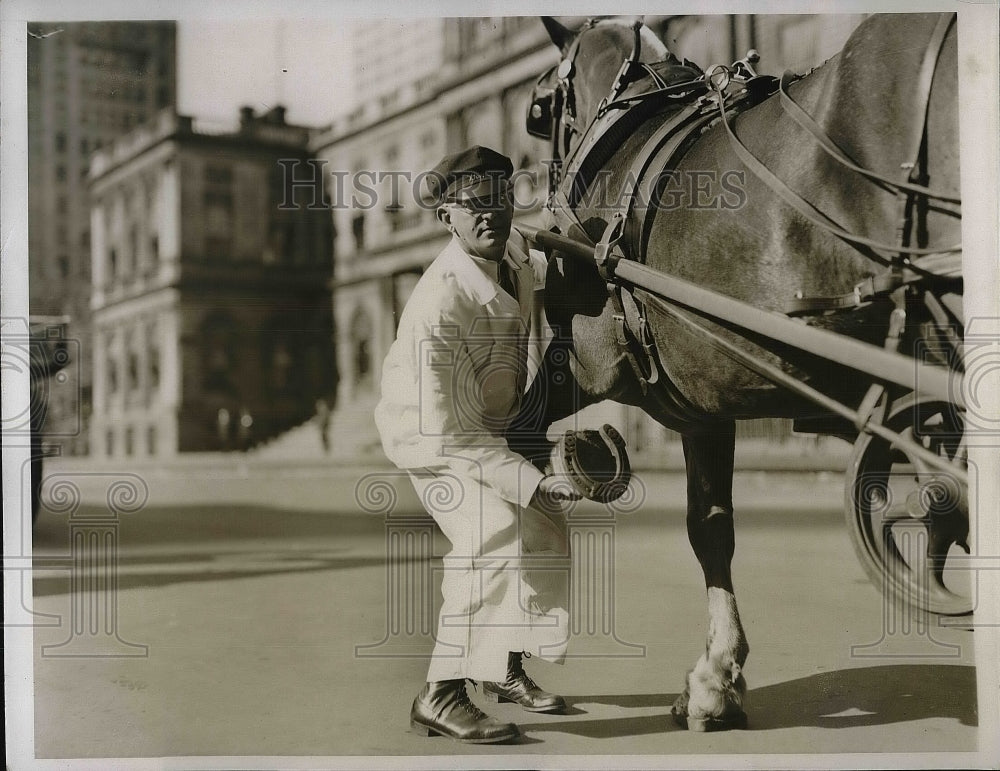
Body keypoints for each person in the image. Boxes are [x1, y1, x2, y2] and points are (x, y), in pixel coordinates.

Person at [374, 146, 580, 744]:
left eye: (499, 197)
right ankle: (439, 694)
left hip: (489, 420)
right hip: (430, 435)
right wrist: (533, 478)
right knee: (492, 530)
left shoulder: (510, 250)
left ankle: (502, 667)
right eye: (472, 204)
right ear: (447, 217)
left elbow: (544, 249)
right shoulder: (440, 302)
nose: (489, 213)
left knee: (542, 526)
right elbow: (451, 437)